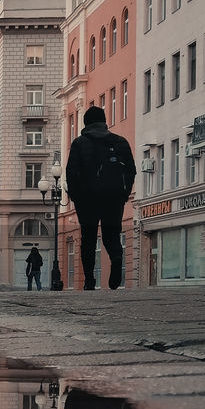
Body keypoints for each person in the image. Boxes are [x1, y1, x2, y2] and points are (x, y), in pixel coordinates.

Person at [65, 104, 136, 290]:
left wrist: (76, 197)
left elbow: (71, 173)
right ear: (104, 122)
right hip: (114, 197)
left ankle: (89, 279)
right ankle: (116, 258)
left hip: (87, 199)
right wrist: (124, 194)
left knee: (88, 238)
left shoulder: (80, 143)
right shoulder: (120, 142)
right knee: (111, 235)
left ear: (86, 123)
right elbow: (131, 170)